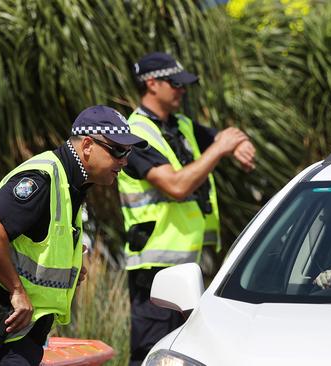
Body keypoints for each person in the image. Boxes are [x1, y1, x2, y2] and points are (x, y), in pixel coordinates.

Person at [0, 105, 147, 365]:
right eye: (118, 150)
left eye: (127, 152)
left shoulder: (72, 182)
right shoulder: (43, 178)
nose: (124, 160)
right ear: (87, 145)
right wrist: (17, 290)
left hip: (19, 333)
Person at [117, 51, 257, 365]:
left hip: (188, 266)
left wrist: (238, 143)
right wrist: (220, 149)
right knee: (151, 355)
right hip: (153, 270)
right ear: (151, 84)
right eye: (174, 83)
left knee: (186, 353)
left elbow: (223, 137)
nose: (182, 90)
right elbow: (177, 186)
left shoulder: (181, 125)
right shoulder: (136, 134)